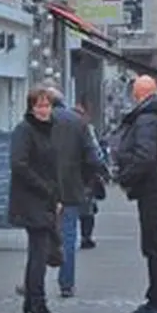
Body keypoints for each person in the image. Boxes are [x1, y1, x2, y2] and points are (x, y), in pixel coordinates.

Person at [113, 76, 157, 313]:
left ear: (137, 93)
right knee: (154, 244)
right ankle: (155, 297)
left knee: (155, 246)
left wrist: (125, 177)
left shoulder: (147, 119)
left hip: (153, 187)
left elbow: (145, 156)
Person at [9, 87, 62, 313]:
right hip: (31, 198)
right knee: (40, 251)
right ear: (31, 108)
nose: (43, 110)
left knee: (37, 252)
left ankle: (32, 302)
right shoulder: (25, 130)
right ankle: (38, 304)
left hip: (46, 198)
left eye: (47, 105)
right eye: (39, 106)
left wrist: (57, 194)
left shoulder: (50, 130)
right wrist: (44, 188)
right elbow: (19, 165)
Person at [44, 88, 104, 298]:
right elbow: (93, 159)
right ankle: (66, 284)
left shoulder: (36, 121)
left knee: (39, 235)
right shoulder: (78, 122)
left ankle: (34, 281)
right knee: (68, 236)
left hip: (41, 189)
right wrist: (86, 182)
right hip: (70, 188)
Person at [74, 105, 108, 250]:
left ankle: (83, 236)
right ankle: (85, 237)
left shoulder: (59, 129)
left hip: (73, 175)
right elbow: (95, 154)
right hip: (85, 175)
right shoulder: (86, 130)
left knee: (81, 208)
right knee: (87, 208)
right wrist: (101, 170)